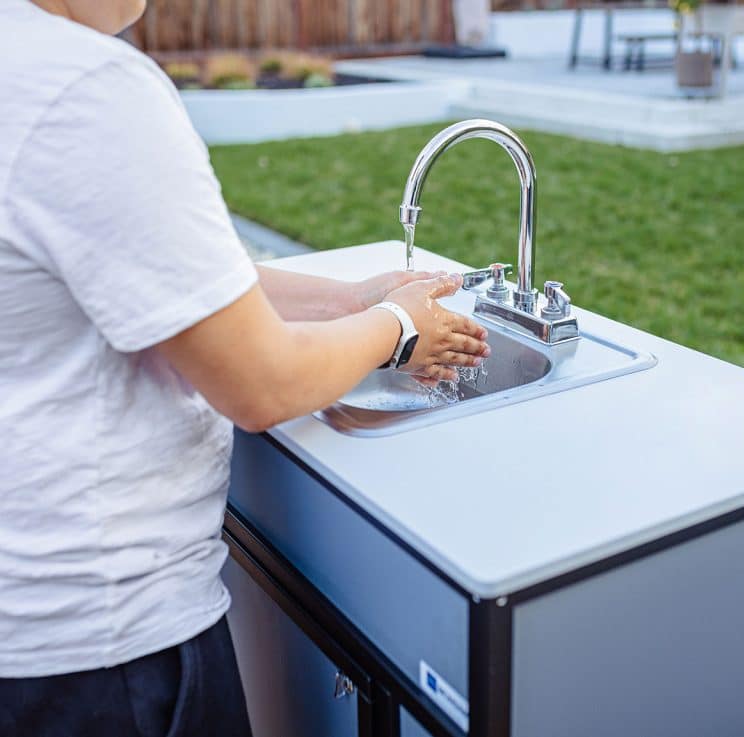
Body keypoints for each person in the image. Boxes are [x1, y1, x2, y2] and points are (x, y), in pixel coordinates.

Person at [0, 1, 490, 735]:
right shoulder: (90, 90)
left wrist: (354, 298)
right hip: (106, 650)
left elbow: (182, 280)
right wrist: (396, 328)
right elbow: (263, 384)